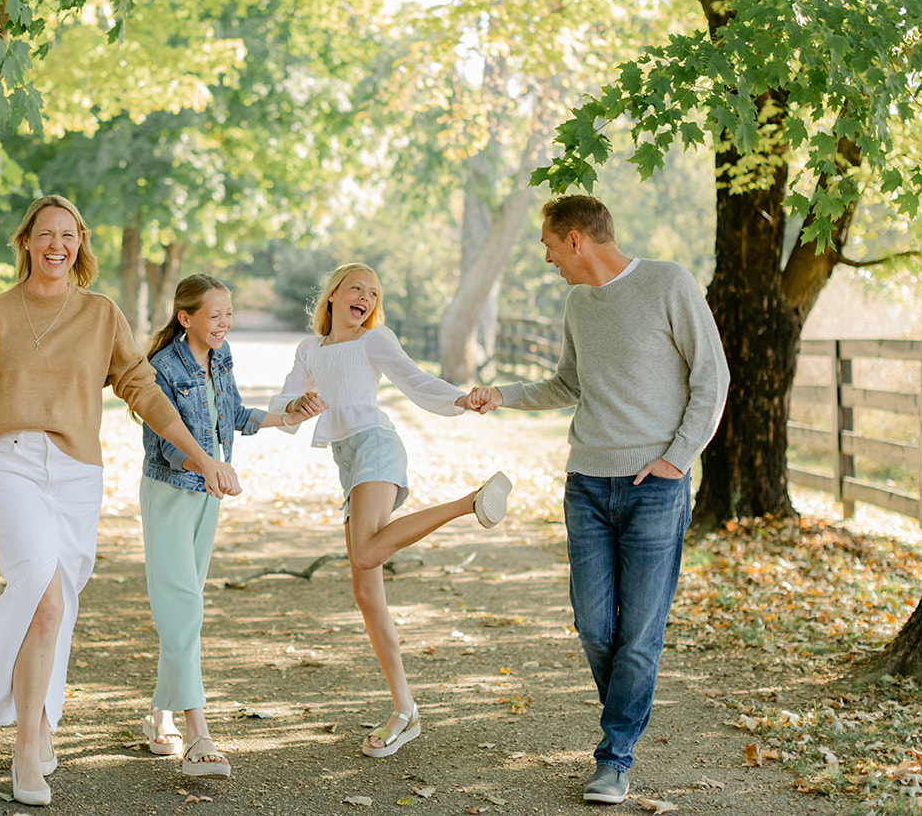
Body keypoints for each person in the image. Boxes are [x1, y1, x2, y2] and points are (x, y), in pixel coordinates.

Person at [0, 195, 240, 808]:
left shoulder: (100, 315)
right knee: (42, 590)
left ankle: (39, 723)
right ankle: (26, 748)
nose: (56, 245)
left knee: (55, 610)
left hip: (76, 474)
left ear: (80, 243)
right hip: (7, 463)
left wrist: (201, 456)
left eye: (68, 235)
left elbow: (142, 387)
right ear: (27, 243)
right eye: (45, 234)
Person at [465, 194, 729, 805]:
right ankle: (626, 720)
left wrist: (676, 459)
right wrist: (500, 395)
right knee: (593, 624)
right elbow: (568, 383)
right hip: (586, 484)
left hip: (655, 488)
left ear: (577, 239)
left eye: (550, 245)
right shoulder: (578, 303)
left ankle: (615, 755)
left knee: (639, 631)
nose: (548, 256)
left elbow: (710, 377)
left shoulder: (668, 283)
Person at [270, 262, 513, 760]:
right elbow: (284, 407)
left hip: (375, 446)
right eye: (356, 287)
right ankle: (406, 711)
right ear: (334, 295)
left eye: (373, 292)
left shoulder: (375, 341)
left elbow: (415, 379)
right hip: (348, 460)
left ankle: (470, 502)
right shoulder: (310, 349)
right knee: (366, 591)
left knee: (364, 555)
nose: (365, 296)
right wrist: (298, 406)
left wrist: (462, 399)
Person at [138, 275, 327, 778]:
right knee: (183, 607)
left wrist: (288, 415)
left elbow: (235, 415)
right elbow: (167, 447)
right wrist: (210, 465)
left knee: (186, 604)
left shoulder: (220, 358)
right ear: (187, 319)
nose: (224, 323)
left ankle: (159, 714)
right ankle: (197, 733)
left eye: (229, 313)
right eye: (215, 314)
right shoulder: (161, 368)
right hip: (171, 496)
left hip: (210, 495)